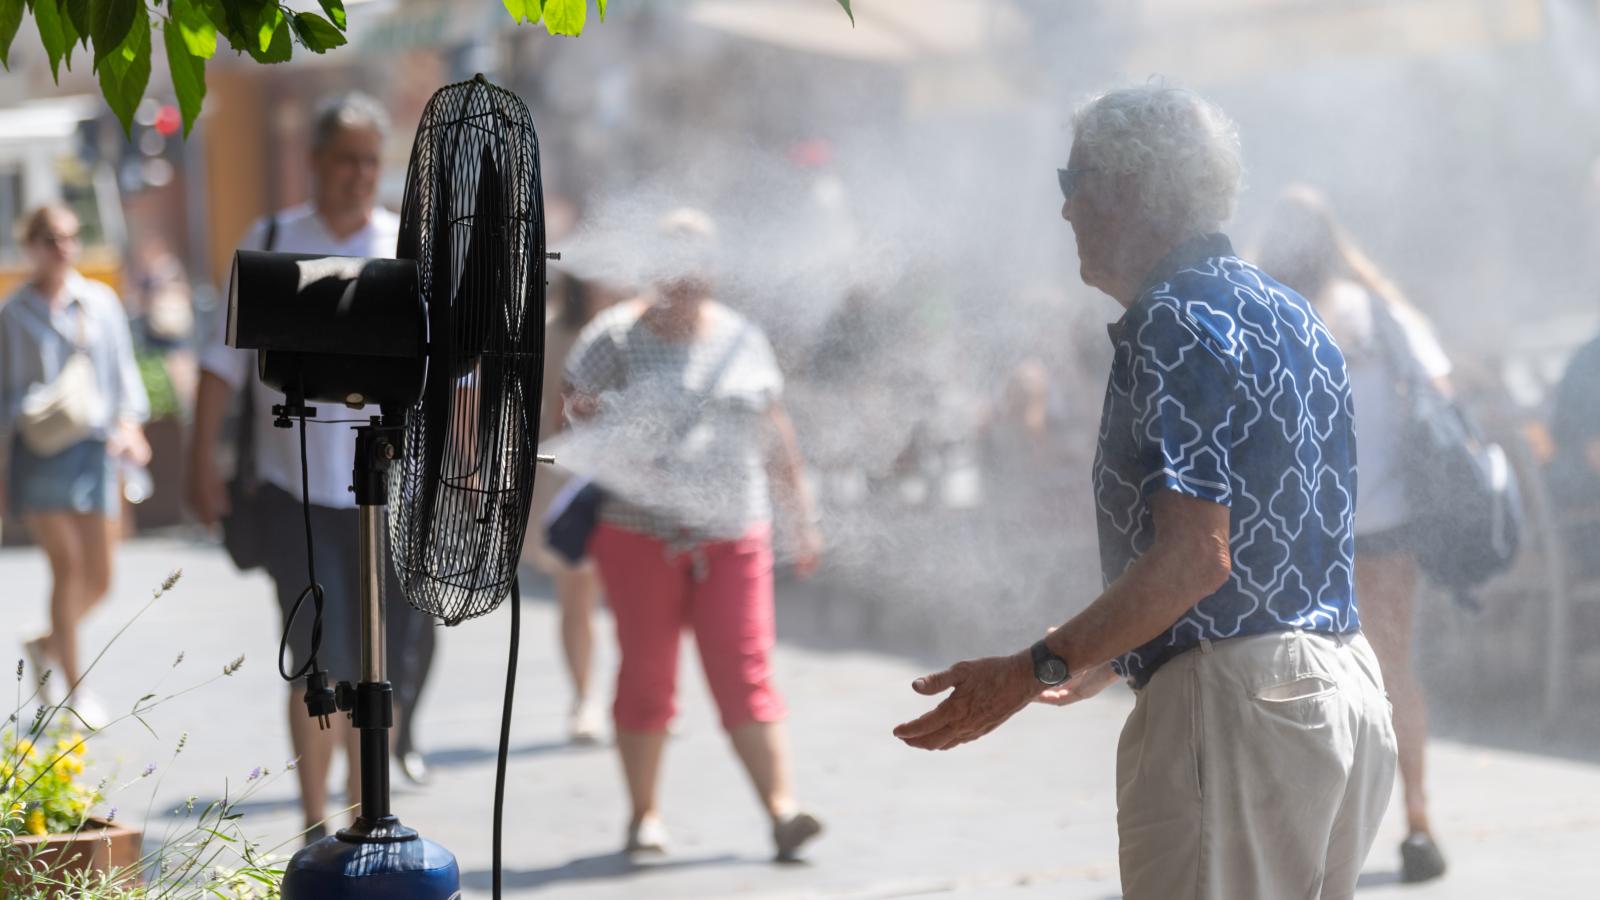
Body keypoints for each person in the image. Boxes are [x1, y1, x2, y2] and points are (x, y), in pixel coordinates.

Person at [893, 86, 1396, 900]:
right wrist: (1107, 645)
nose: (1065, 213)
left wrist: (1033, 668)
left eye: (1073, 183)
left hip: (1239, 711)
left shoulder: (1174, 317)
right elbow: (1258, 551)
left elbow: (1196, 558)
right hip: (1342, 691)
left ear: (1127, 191)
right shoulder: (1290, 312)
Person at [185, 93, 436, 841]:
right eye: (346, 160)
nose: (359, 175)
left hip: (390, 493)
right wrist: (199, 462)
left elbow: (455, 379)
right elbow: (217, 367)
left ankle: (369, 812)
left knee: (382, 660)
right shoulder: (271, 242)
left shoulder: (404, 247)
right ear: (317, 163)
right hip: (295, 493)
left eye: (370, 161)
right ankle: (314, 824)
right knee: (316, 656)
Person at [563, 208, 825, 861]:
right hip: (637, 535)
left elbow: (774, 428)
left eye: (701, 261)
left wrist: (801, 515)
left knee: (744, 668)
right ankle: (644, 814)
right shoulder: (612, 339)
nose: (689, 276)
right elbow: (570, 418)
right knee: (648, 675)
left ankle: (781, 810)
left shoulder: (742, 338)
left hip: (733, 533)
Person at [1256, 184, 1453, 884]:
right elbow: (1442, 388)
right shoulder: (1382, 312)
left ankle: (1318, 834)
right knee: (1394, 670)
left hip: (1301, 531)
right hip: (1386, 520)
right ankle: (1418, 822)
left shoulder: (1264, 317)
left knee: (1306, 680)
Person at [1, 203, 151, 726]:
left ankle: (47, 643)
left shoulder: (99, 302)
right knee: (66, 570)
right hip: (39, 453)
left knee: (101, 577)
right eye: (50, 239)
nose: (62, 248)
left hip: (94, 451)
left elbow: (123, 372)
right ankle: (74, 689)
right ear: (31, 246)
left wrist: (131, 426)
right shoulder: (12, 314)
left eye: (68, 237)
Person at [523, 260, 619, 744]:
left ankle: (638, 695)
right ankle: (585, 700)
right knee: (577, 594)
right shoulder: (548, 332)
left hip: (623, 481)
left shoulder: (630, 328)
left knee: (632, 597)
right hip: (564, 479)